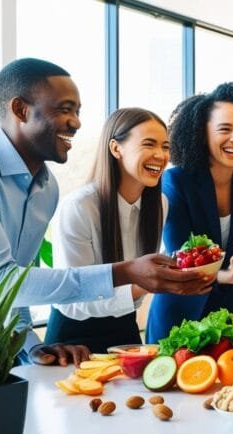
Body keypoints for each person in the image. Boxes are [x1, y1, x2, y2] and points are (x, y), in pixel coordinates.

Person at [0, 58, 210, 366]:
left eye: (77, 111)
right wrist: (128, 272)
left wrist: (28, 346)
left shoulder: (46, 187)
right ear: (20, 110)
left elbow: (17, 290)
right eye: (64, 109)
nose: (77, 122)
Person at [146, 83, 233, 342]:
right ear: (201, 133)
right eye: (224, 129)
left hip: (230, 314)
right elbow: (181, 259)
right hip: (180, 313)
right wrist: (228, 276)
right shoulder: (176, 181)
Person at [43, 108, 170, 353]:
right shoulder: (79, 207)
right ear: (115, 148)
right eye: (149, 144)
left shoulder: (160, 204)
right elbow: (71, 299)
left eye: (165, 146)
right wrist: (146, 283)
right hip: (72, 340)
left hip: (125, 328)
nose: (160, 155)